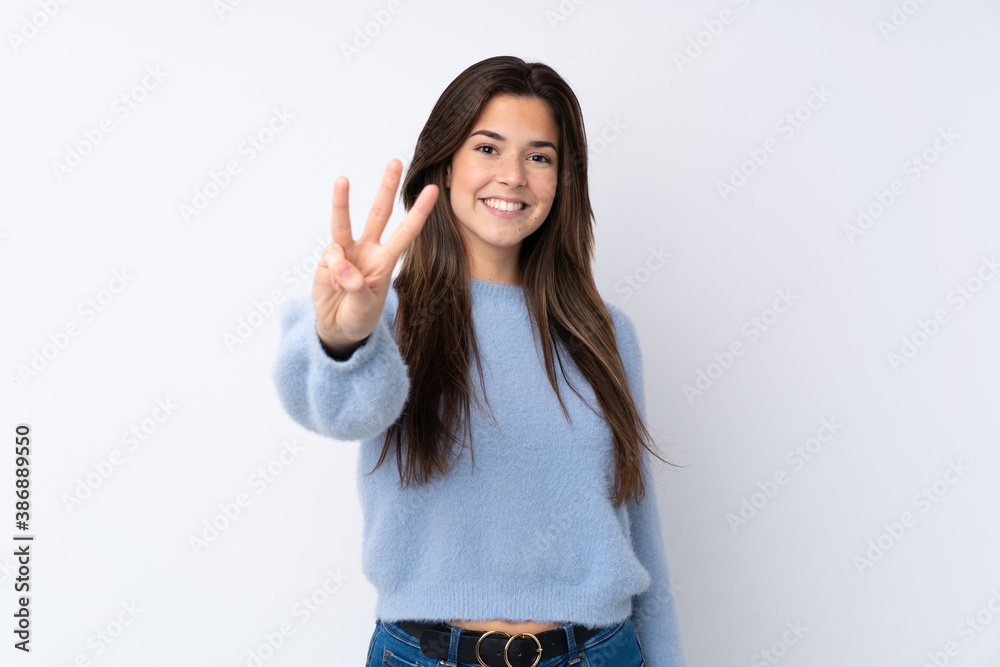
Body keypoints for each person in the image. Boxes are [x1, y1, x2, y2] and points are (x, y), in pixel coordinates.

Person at [272, 55, 685, 667]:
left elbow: (640, 533)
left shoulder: (604, 334)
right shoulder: (380, 317)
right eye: (488, 148)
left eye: (539, 156)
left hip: (600, 652)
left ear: (562, 181)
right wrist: (345, 340)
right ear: (444, 163)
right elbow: (332, 407)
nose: (513, 175)